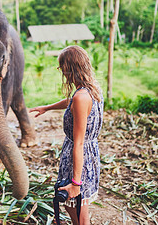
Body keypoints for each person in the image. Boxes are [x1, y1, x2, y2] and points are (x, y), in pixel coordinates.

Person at [29, 45, 103, 225]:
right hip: (90, 153)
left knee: (76, 207)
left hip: (78, 158)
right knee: (77, 206)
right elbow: (73, 101)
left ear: (70, 69)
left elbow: (78, 143)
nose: (62, 73)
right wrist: (47, 107)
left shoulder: (81, 97)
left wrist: (76, 183)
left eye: (62, 69)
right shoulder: (92, 89)